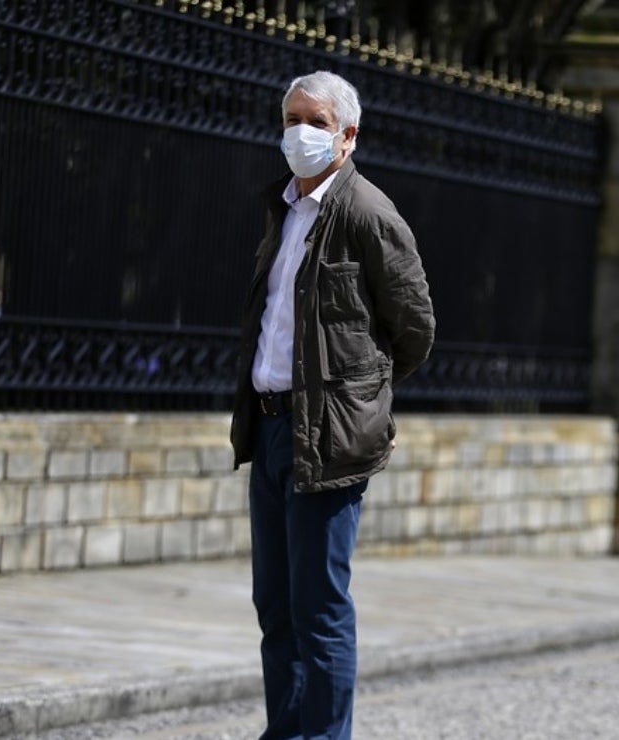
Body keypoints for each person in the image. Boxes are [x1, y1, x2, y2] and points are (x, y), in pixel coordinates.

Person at [230, 70, 435, 740]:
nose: (299, 133)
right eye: (291, 119)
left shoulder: (368, 213)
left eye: (315, 122)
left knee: (319, 609)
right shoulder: (283, 207)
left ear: (347, 137)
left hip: (328, 437)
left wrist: (360, 401)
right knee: (276, 608)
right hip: (267, 430)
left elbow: (415, 328)